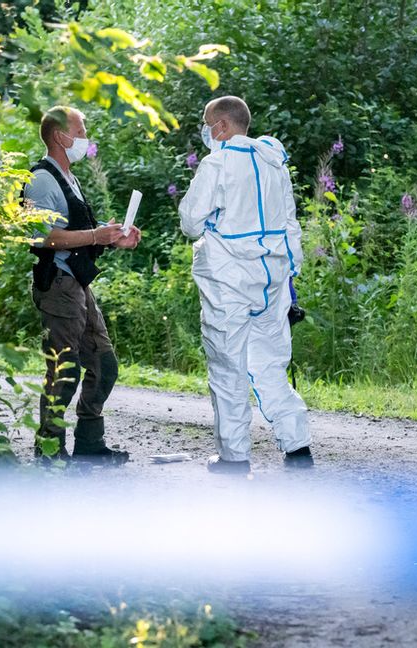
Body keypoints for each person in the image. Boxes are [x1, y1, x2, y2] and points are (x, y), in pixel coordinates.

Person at [178, 96, 312, 474]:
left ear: (221, 127)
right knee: (270, 364)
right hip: (272, 282)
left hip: (228, 282)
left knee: (227, 366)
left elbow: (190, 222)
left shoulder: (216, 164)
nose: (205, 132)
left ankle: (234, 457)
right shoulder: (275, 164)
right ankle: (298, 446)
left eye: (207, 124)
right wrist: (290, 276)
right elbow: (290, 224)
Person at [22, 106, 141, 464]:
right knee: (64, 369)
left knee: (105, 365)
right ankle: (50, 450)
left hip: (78, 286)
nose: (85, 137)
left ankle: (89, 442)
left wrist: (110, 237)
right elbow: (39, 237)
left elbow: (76, 233)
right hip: (57, 286)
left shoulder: (68, 177)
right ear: (60, 136)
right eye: (80, 130)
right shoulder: (41, 180)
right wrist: (94, 233)